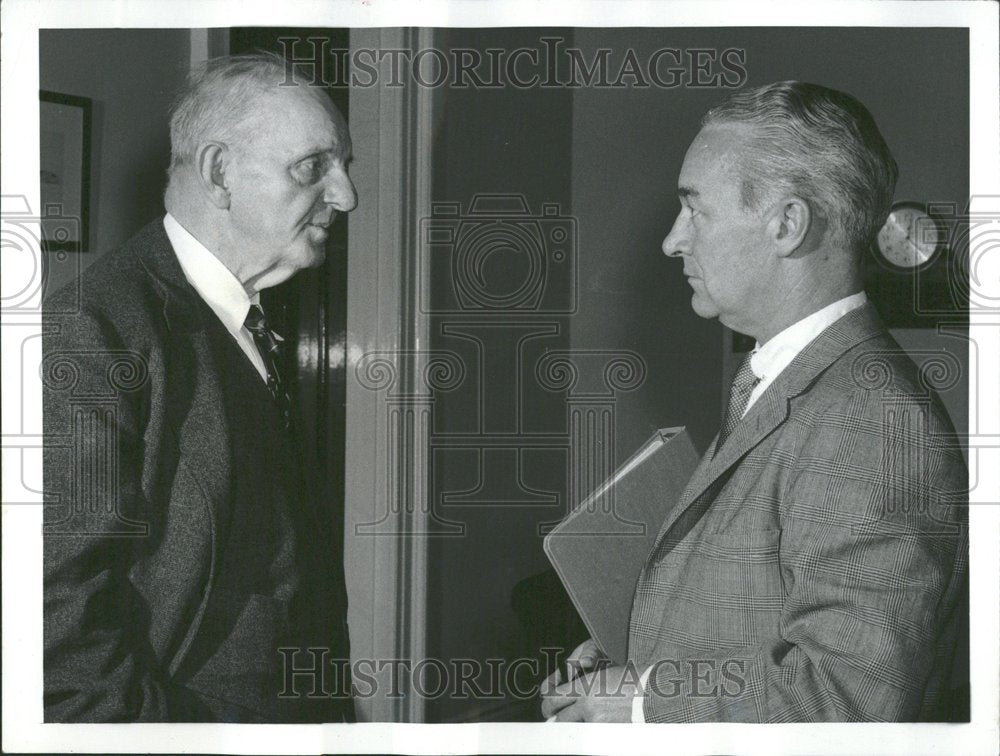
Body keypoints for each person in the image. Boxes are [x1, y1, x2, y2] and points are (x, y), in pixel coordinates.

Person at [541, 81, 968, 722]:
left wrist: (642, 703)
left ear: (787, 225)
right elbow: (753, 617)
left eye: (696, 210)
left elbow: (851, 704)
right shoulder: (799, 384)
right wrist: (630, 667)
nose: (672, 240)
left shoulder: (872, 419)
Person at [42, 53, 358, 722]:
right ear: (219, 172)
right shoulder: (90, 331)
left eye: (343, 168)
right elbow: (57, 633)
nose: (346, 197)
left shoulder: (243, 317)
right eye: (313, 168)